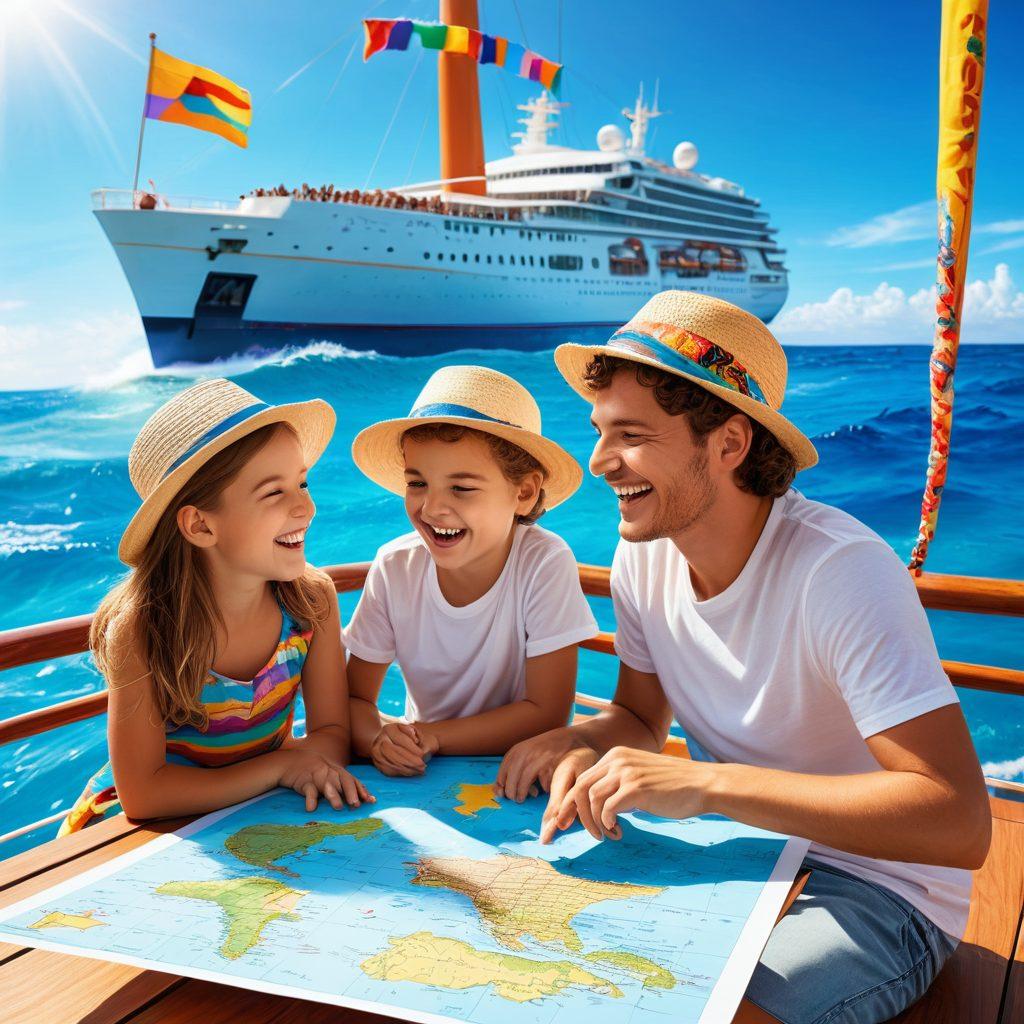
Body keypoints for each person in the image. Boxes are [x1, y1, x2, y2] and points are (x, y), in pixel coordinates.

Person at [496, 291, 991, 1024]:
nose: (598, 462)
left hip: (880, 889)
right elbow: (639, 716)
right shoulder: (642, 559)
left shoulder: (840, 570)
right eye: (600, 432)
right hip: (742, 851)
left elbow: (958, 822)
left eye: (630, 435)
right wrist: (576, 740)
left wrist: (707, 784)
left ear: (729, 444)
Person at [59, 378, 371, 835]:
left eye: (302, 483)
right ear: (201, 526)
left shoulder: (310, 602)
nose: (306, 507)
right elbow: (143, 795)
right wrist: (280, 768)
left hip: (249, 812)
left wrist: (288, 768)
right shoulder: (144, 628)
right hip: (135, 830)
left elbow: (333, 737)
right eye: (275, 492)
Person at [343, 366, 598, 778]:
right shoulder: (394, 567)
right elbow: (354, 700)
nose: (431, 508)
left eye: (461, 488)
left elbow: (547, 713)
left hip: (514, 772)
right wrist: (378, 739)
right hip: (422, 772)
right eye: (417, 483)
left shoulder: (544, 562)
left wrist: (432, 737)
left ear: (524, 493)